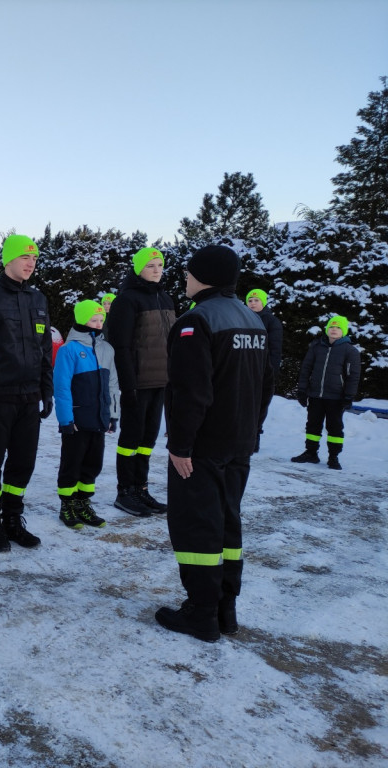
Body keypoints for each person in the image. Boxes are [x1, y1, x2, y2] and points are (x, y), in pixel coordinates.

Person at [155, 245, 274, 642]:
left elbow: (191, 391)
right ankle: (226, 608)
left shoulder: (196, 321)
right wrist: (251, 431)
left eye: (188, 272)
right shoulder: (253, 321)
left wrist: (181, 445)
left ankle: (201, 613)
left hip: (204, 447)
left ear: (203, 276)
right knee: (228, 522)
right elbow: (265, 386)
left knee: (197, 527)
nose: (184, 278)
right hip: (239, 443)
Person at [0, 234, 53, 552]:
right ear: (8, 260)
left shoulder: (38, 300)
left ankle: (13, 519)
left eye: (34, 259)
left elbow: (44, 351)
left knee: (23, 463)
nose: (31, 263)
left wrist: (46, 390)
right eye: (24, 258)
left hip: (29, 397)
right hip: (0, 398)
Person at [107, 247, 176, 517]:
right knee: (131, 438)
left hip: (162, 381)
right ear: (138, 268)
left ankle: (141, 488)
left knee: (148, 439)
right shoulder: (127, 300)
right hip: (137, 383)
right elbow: (119, 346)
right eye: (151, 265)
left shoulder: (166, 298)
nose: (157, 269)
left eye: (160, 265)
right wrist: (127, 384)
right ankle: (125, 492)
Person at [54, 300, 119, 530]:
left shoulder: (106, 349)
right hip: (77, 421)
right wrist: (65, 420)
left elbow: (113, 384)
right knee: (72, 463)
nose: (98, 324)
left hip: (98, 419)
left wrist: (113, 415)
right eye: (94, 319)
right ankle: (67, 505)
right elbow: (61, 387)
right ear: (81, 319)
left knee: (93, 463)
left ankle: (83, 503)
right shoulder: (68, 350)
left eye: (101, 320)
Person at [291, 315, 361, 470]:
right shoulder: (316, 347)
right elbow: (306, 369)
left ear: (343, 331)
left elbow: (353, 375)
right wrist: (302, 390)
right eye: (331, 327)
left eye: (337, 328)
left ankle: (333, 456)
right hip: (315, 395)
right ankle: (311, 453)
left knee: (334, 427)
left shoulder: (350, 351)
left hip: (336, 397)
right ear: (327, 330)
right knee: (312, 425)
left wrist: (349, 395)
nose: (334, 330)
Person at [245, 289, 283, 452]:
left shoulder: (272, 322)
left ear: (263, 302)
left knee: (259, 405)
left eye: (256, 300)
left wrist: (272, 371)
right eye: (250, 300)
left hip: (262, 370)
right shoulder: (242, 318)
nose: (253, 303)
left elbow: (275, 349)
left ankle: (255, 437)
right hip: (243, 368)